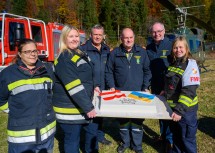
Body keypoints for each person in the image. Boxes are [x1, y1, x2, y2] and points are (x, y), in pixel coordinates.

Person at [0, 39, 56, 153]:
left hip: (47, 134)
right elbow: (1, 99)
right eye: (28, 51)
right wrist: (14, 111)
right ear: (20, 54)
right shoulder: (8, 74)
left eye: (35, 51)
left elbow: (53, 92)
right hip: (21, 138)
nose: (33, 54)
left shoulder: (47, 70)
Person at [105, 28, 151, 153]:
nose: (129, 40)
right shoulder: (114, 53)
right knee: (123, 121)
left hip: (138, 93)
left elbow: (147, 71)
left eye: (131, 37)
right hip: (120, 93)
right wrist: (112, 86)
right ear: (121, 38)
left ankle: (137, 146)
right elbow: (109, 71)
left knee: (137, 121)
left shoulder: (142, 52)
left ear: (134, 38)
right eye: (126, 37)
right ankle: (125, 143)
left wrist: (145, 86)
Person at [52, 25, 97, 153]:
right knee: (72, 140)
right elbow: (74, 87)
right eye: (70, 36)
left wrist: (94, 87)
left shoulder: (78, 53)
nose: (74, 39)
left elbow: (85, 77)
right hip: (69, 110)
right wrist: (88, 107)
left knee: (83, 135)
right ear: (64, 39)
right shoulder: (65, 58)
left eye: (76, 36)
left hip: (78, 106)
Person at [164, 36, 200, 153]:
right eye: (175, 47)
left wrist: (179, 111)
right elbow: (173, 83)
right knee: (177, 137)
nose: (178, 50)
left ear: (186, 48)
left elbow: (189, 90)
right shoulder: (174, 63)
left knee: (187, 140)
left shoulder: (191, 65)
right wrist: (165, 91)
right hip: (174, 109)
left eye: (181, 47)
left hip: (185, 111)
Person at [80, 24, 111, 145]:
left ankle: (100, 136)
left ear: (103, 36)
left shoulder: (106, 50)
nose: (97, 37)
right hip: (89, 88)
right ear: (90, 35)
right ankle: (89, 138)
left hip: (103, 87)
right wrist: (92, 85)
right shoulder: (83, 50)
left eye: (100, 35)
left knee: (101, 113)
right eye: (95, 34)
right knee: (90, 114)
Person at [146, 22, 173, 152]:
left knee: (169, 111)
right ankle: (163, 135)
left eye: (159, 31)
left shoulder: (171, 45)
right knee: (160, 111)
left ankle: (170, 139)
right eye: (154, 32)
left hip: (168, 86)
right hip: (155, 85)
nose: (156, 34)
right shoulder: (149, 47)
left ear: (164, 30)